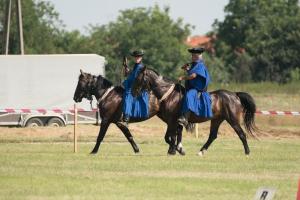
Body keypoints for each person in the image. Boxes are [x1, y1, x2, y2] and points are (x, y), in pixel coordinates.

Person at [177, 47, 213, 127]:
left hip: (196, 89)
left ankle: (185, 118)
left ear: (198, 56)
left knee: (189, 95)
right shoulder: (195, 65)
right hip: (191, 87)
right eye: (192, 55)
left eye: (193, 55)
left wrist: (182, 78)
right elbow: (192, 73)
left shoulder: (200, 65)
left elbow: (193, 76)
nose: (192, 57)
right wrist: (187, 69)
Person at [122, 50, 149, 126]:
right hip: (132, 84)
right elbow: (132, 74)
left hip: (136, 87)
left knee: (128, 95)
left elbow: (134, 78)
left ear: (141, 58)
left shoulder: (141, 67)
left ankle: (126, 118)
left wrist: (126, 81)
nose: (137, 58)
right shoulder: (136, 65)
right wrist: (127, 70)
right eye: (136, 57)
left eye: (138, 57)